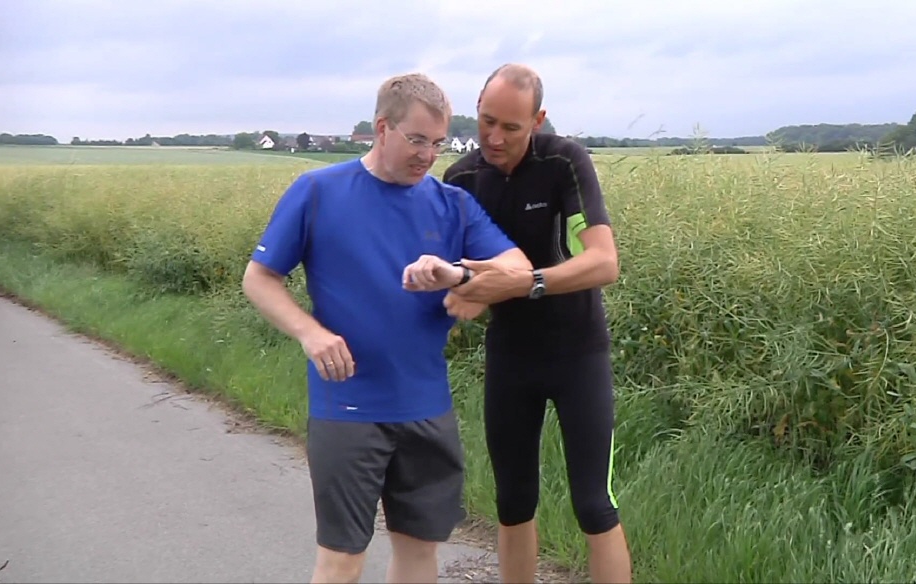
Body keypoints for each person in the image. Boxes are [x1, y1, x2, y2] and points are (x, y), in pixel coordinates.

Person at [241, 72, 531, 584]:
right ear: (382, 127)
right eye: (416, 139)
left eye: (438, 143)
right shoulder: (317, 192)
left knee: (421, 553)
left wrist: (459, 276)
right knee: (342, 559)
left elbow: (520, 271)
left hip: (427, 406)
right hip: (348, 407)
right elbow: (259, 278)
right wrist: (311, 334)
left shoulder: (452, 204)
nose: (428, 155)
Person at [441, 64, 633, 583]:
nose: (493, 138)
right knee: (513, 503)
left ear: (539, 120)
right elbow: (455, 273)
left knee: (594, 505)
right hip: (511, 357)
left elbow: (603, 262)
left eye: (511, 127)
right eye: (485, 121)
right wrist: (463, 291)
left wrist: (525, 284)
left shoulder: (563, 161)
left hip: (578, 355)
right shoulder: (460, 179)